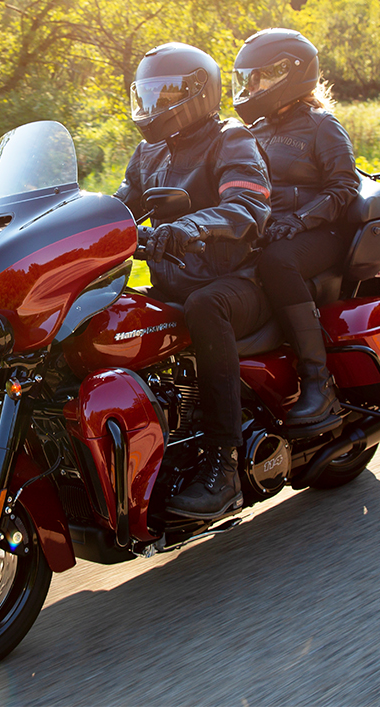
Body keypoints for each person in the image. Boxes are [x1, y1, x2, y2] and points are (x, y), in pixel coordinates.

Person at [115, 41, 272, 519]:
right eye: (146, 94)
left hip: (237, 282)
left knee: (207, 307)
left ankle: (222, 468)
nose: (152, 106)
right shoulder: (148, 153)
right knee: (113, 317)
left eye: (164, 94)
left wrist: (188, 228)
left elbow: (248, 206)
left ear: (199, 93)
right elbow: (120, 207)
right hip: (173, 283)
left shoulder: (232, 140)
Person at [231, 28, 360, 433]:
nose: (254, 86)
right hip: (274, 230)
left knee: (277, 262)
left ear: (293, 73)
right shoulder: (254, 131)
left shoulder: (323, 126)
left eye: (262, 76)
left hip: (323, 233)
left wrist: (300, 220)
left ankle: (317, 382)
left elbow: (345, 187)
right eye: (249, 78)